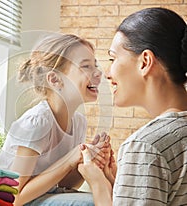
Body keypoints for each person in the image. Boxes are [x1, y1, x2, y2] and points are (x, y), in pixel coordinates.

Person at [78, 7, 187, 205]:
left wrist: (98, 184)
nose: (108, 73)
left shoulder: (145, 147)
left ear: (145, 61)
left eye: (113, 59)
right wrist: (119, 185)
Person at [0, 33, 108, 205]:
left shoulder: (78, 122)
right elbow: (13, 197)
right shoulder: (37, 123)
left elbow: (62, 185)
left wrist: (88, 160)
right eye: (86, 66)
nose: (98, 73)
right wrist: (69, 159)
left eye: (95, 66)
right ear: (55, 79)